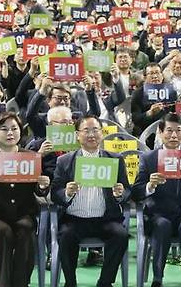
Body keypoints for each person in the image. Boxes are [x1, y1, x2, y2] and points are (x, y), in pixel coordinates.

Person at [0, 113, 50, 287]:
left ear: (21, 132)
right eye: (4, 129)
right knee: (3, 232)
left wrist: (43, 185)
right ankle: (4, 284)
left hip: (22, 213)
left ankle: (21, 283)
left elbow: (37, 189)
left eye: (14, 128)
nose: (10, 133)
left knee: (26, 231)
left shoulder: (29, 156)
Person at [51, 115, 131, 287]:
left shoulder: (115, 159)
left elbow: (127, 190)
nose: (91, 134)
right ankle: (70, 283)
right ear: (77, 135)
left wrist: (120, 194)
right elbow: (55, 193)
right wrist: (66, 192)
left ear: (102, 134)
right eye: (86, 130)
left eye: (95, 130)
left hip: (105, 218)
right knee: (65, 236)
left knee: (121, 235)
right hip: (74, 219)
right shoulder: (64, 161)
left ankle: (105, 282)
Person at [132, 113, 181, 287]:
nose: (174, 135)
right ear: (160, 132)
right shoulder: (148, 158)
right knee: (162, 225)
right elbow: (136, 192)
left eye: (178, 131)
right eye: (169, 131)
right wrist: (150, 186)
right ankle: (157, 279)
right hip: (158, 214)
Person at [131, 63, 176, 136]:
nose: (155, 76)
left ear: (162, 76)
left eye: (157, 73)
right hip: (146, 132)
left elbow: (176, 111)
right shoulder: (138, 94)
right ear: (145, 78)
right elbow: (135, 119)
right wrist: (150, 113)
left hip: (169, 131)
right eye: (151, 74)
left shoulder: (170, 91)